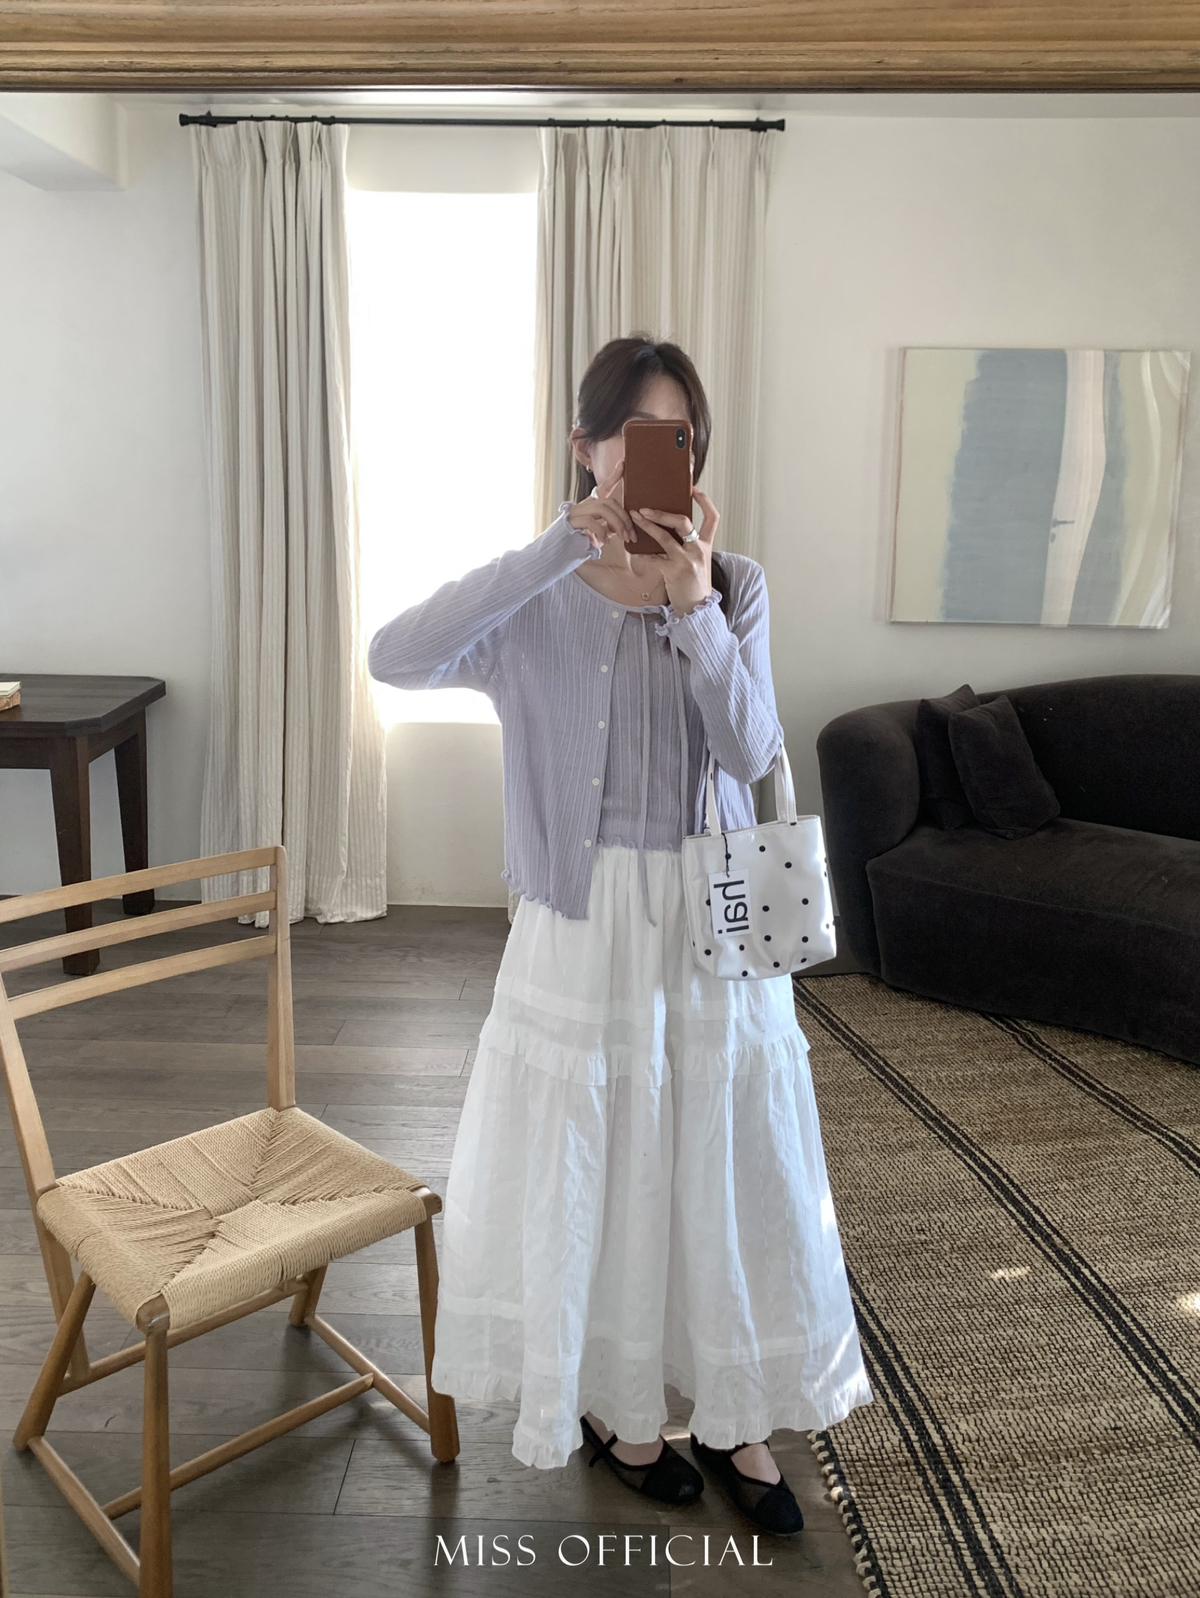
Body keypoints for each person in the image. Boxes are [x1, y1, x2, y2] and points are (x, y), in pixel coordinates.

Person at [367, 335, 873, 1535]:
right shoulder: (535, 597)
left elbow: (753, 751)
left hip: (716, 918)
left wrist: (695, 610)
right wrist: (560, 543)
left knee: (721, 1155)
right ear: (586, 446)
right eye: (636, 434)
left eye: (680, 437)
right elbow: (394, 655)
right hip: (583, 918)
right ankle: (615, 1400)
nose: (659, 456)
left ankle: (736, 1405)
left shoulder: (734, 582)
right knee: (600, 1158)